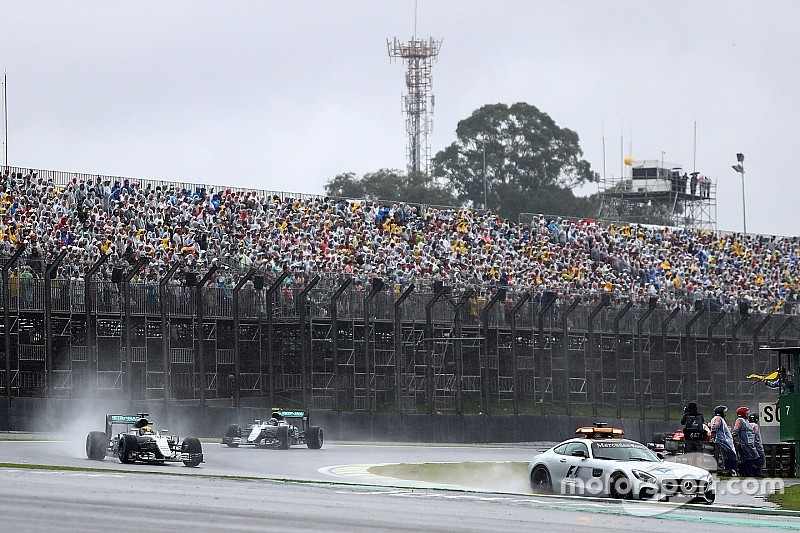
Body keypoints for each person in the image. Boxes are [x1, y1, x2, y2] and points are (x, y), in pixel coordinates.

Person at [710, 405, 737, 476]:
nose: (725, 414)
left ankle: (728, 470)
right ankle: (730, 470)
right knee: (731, 456)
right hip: (723, 441)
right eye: (724, 412)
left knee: (727, 456)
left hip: (723, 440)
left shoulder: (719, 419)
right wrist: (713, 437)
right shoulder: (718, 418)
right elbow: (715, 427)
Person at [732, 406, 759, 477]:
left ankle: (749, 472)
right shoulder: (740, 420)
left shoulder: (746, 421)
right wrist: (735, 440)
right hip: (744, 443)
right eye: (746, 413)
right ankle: (748, 473)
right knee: (748, 459)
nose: (748, 415)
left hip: (750, 443)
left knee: (754, 457)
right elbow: (735, 431)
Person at [748, 412, 766, 477]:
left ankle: (751, 473)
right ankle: (758, 473)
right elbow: (756, 435)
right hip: (756, 445)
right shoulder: (755, 426)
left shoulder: (746, 425)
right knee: (761, 459)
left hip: (748, 445)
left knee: (750, 460)